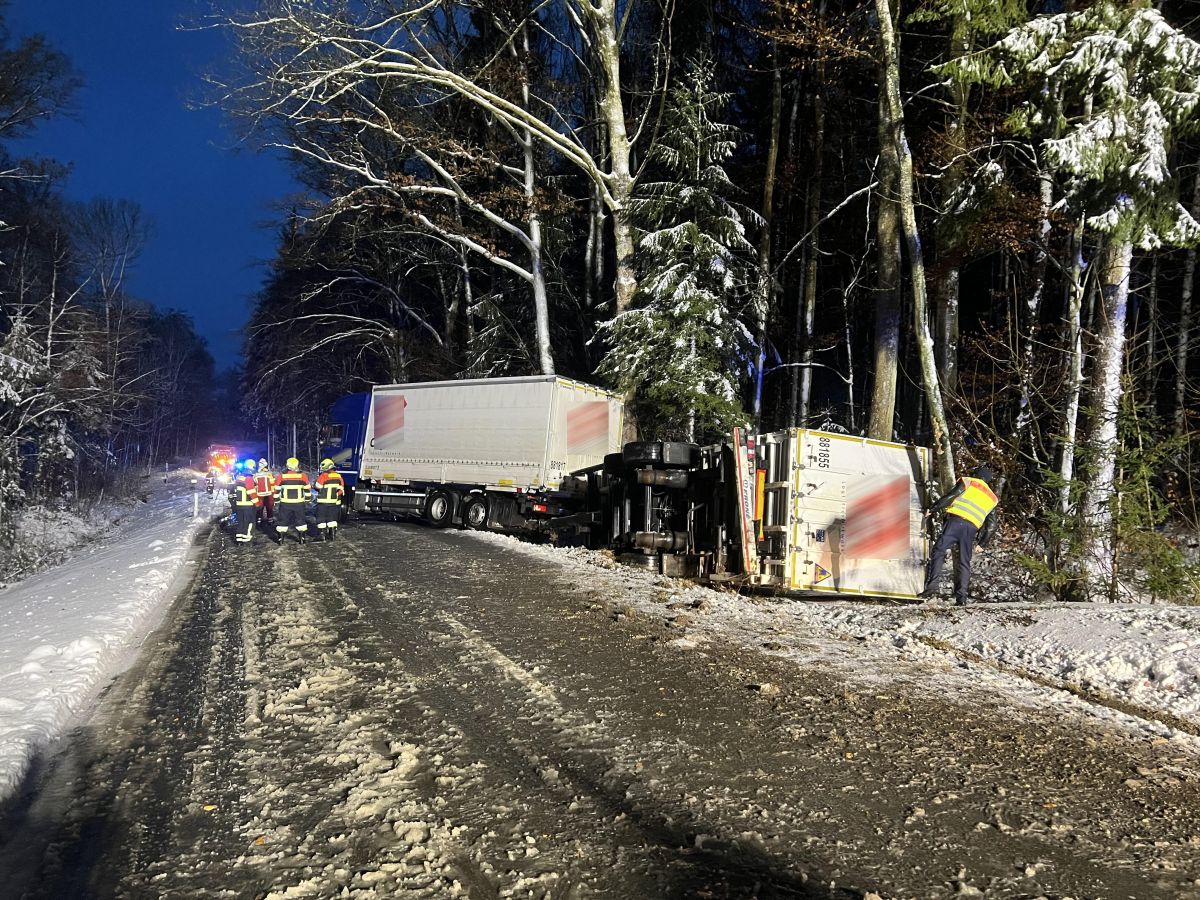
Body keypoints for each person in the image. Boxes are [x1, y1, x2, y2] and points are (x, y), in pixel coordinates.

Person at [919, 466, 999, 606]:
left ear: (976, 474)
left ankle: (932, 588)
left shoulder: (970, 482)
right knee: (964, 562)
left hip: (955, 522)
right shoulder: (992, 498)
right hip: (971, 529)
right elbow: (992, 525)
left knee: (939, 550)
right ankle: (961, 597)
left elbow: (951, 496)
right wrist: (983, 543)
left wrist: (933, 509)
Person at [274, 457, 313, 545]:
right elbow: (307, 489)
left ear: (287, 465)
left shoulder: (282, 475)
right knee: (300, 520)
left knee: (283, 521)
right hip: (299, 503)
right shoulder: (303, 475)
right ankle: (302, 539)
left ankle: (281, 540)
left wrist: (276, 501)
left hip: (285, 503)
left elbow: (277, 490)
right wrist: (307, 500)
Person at [313, 458, 345, 541]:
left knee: (321, 519)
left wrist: (315, 482)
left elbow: (318, 487)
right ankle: (332, 535)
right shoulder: (339, 476)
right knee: (332, 518)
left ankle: (322, 535)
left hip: (323, 502)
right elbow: (341, 489)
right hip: (334, 502)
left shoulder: (323, 475)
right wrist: (334, 495)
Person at [230, 462, 260, 544]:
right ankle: (246, 539)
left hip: (239, 504)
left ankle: (239, 539)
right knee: (249, 522)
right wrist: (257, 503)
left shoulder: (239, 477)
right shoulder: (249, 478)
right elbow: (251, 491)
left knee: (241, 522)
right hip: (248, 505)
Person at [255, 458, 275, 524]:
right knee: (269, 507)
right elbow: (272, 483)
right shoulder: (269, 474)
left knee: (260, 507)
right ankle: (270, 520)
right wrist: (273, 494)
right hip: (269, 493)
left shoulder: (256, 474)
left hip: (259, 494)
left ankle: (259, 520)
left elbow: (254, 484)